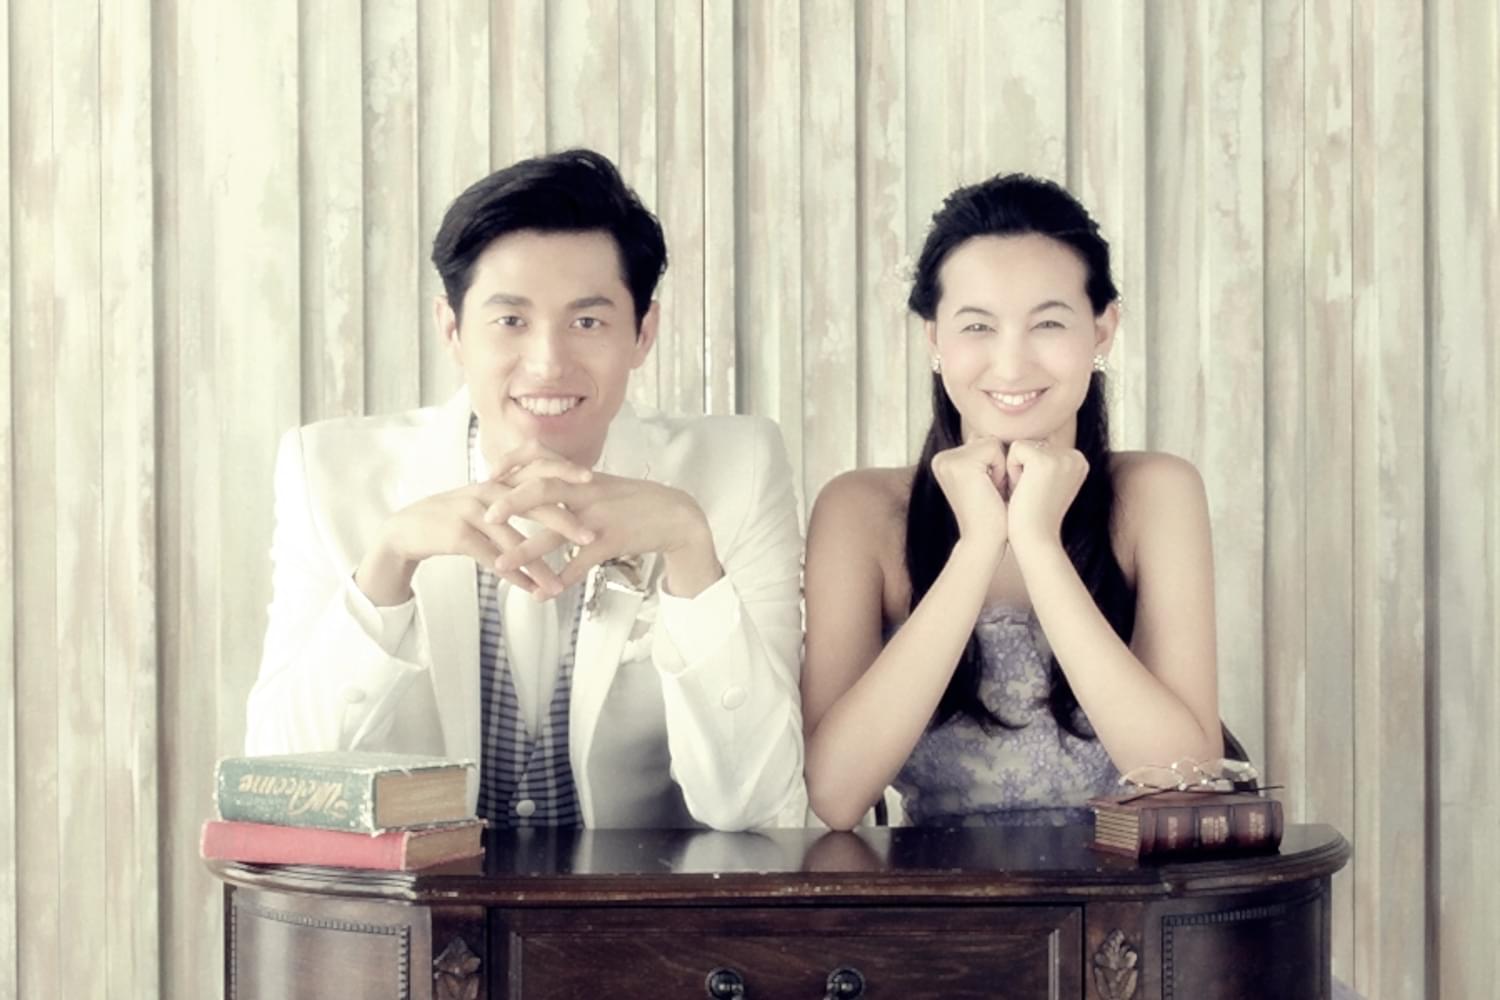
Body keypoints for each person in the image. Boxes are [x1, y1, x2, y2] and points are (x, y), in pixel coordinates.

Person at [245, 149, 806, 831]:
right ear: (452, 331)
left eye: (587, 322)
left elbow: (760, 806)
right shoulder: (328, 472)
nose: (547, 363)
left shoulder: (740, 469)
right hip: (418, 895)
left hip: (639, 895)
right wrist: (385, 567)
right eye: (510, 321)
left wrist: (691, 553)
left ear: (643, 333)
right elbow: (278, 789)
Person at [801, 173, 1223, 831]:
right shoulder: (859, 511)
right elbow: (834, 795)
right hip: (935, 890)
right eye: (977, 326)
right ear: (934, 340)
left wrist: (1038, 542)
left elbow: (1183, 783)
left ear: (1103, 330)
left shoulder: (1158, 494)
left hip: (1123, 889)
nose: (1011, 364)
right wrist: (976, 547)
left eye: (1048, 323)